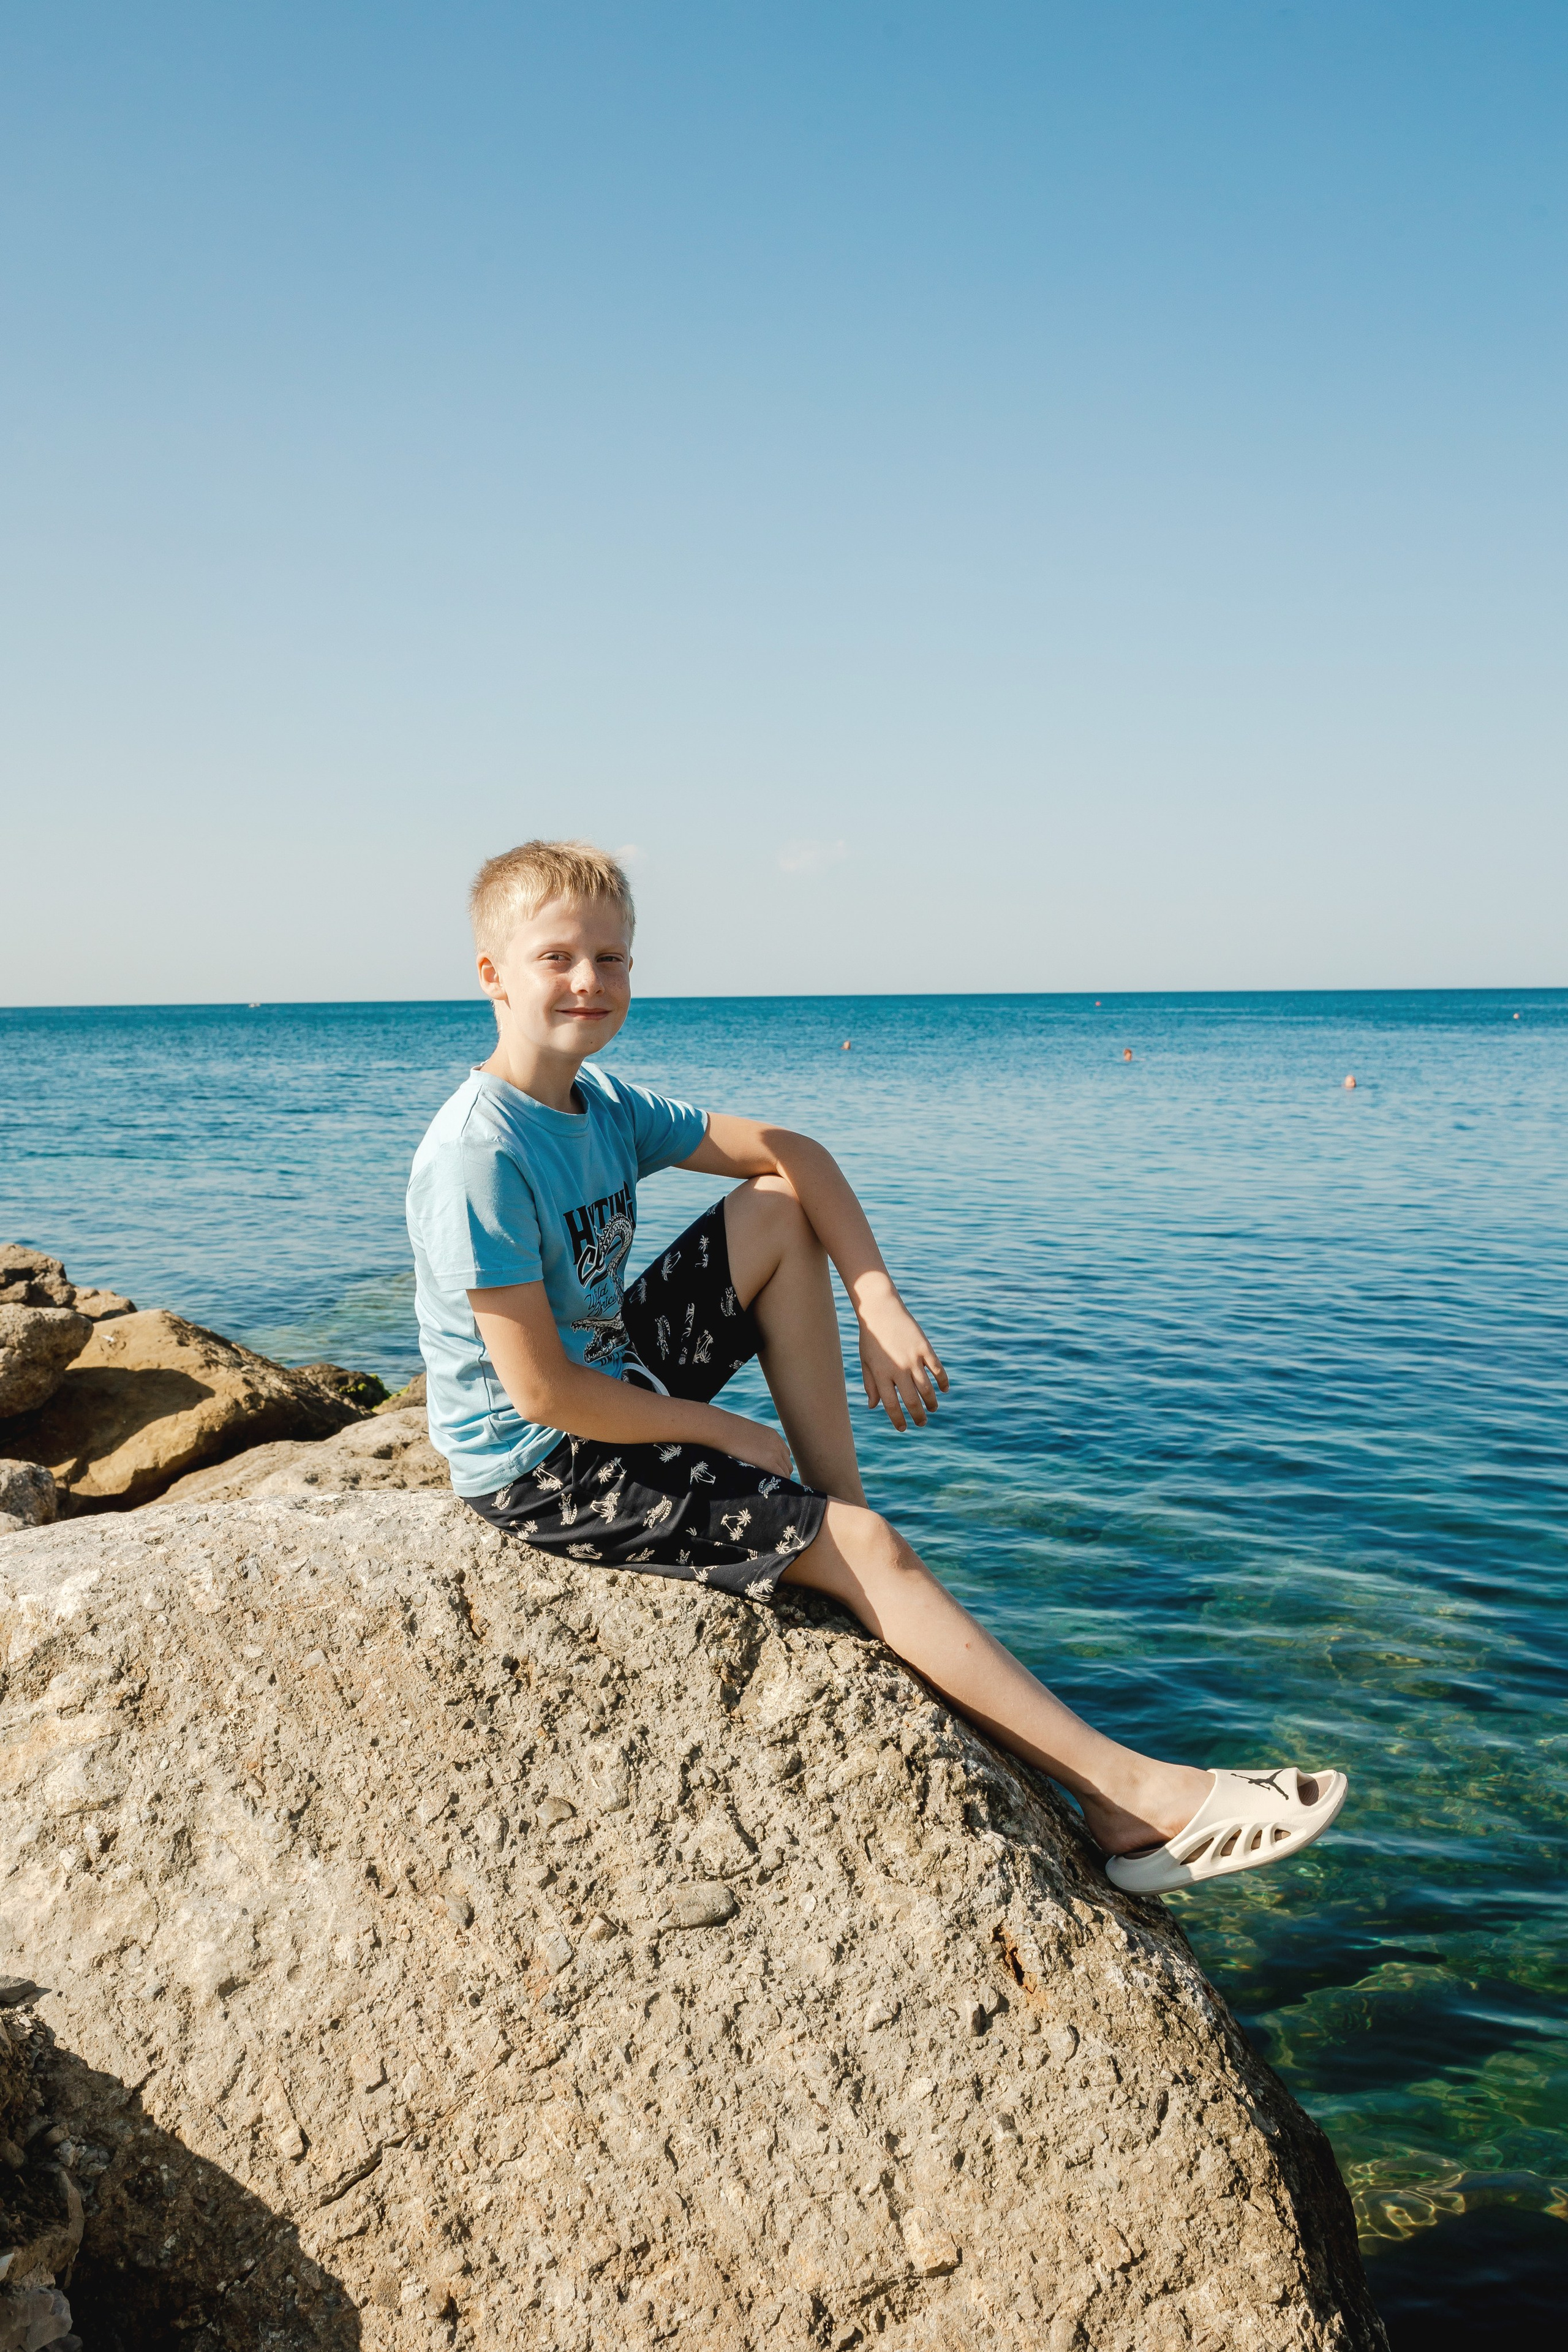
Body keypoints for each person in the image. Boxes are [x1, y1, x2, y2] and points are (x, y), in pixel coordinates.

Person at [407, 840, 1346, 1895]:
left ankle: (841, 1530)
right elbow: (541, 1392)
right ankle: (1134, 1802)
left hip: (609, 1379)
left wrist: (876, 1301)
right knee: (862, 1544)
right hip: (545, 1462)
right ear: (493, 974)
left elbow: (793, 1152)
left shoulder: (604, 1105)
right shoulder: (478, 1154)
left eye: (613, 959)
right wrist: (722, 1432)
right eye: (557, 958)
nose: (590, 982)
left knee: (774, 1211)